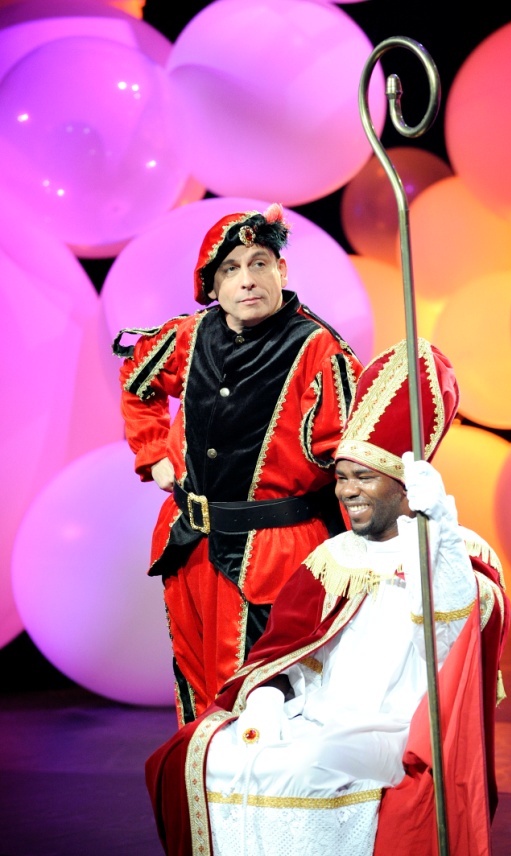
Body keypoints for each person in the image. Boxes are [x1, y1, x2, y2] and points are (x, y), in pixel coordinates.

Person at [144, 337, 511, 856]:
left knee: (306, 766)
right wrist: (268, 698)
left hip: (393, 729)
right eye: (341, 477)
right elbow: (286, 651)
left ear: (406, 487)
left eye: (364, 477)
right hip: (317, 714)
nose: (347, 490)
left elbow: (451, 633)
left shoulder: (454, 553)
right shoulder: (334, 557)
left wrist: (441, 531)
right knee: (210, 754)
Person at [113, 203, 363, 725]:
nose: (247, 280)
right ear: (212, 285)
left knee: (263, 708)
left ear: (281, 270)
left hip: (276, 557)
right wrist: (153, 452)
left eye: (259, 263)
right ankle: (205, 779)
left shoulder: (318, 349)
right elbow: (138, 378)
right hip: (191, 546)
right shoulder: (189, 335)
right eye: (230, 269)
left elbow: (346, 452)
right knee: (198, 694)